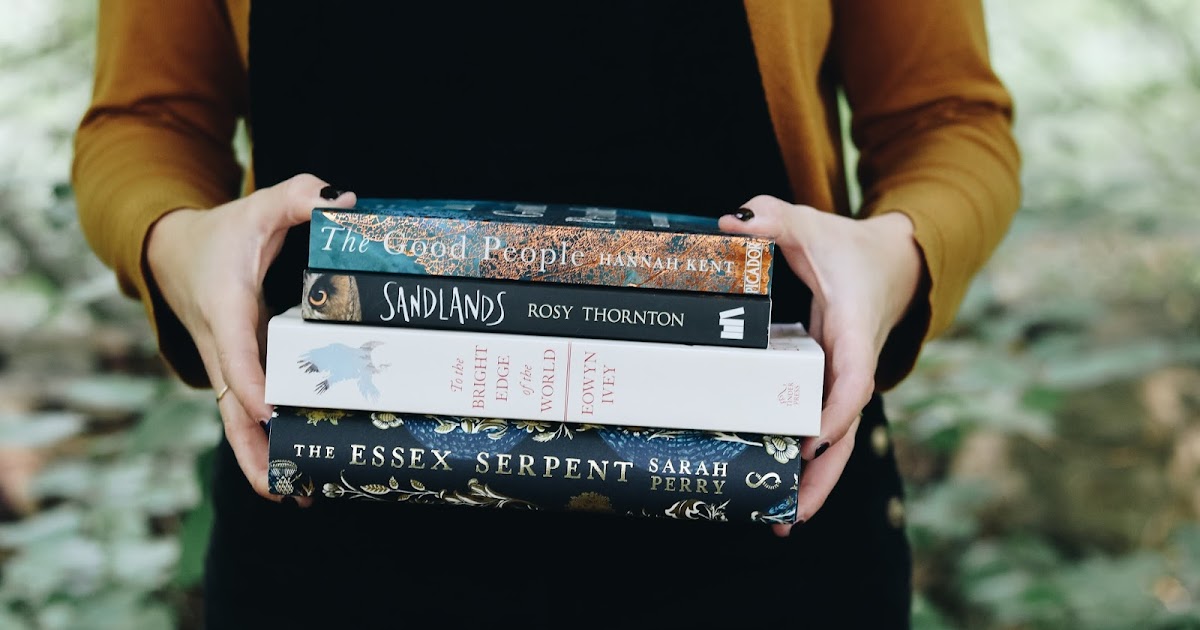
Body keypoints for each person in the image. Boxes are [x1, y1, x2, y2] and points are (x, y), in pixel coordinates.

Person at [73, 2, 1020, 628]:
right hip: (324, 519)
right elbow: (147, 121)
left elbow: (946, 118)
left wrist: (895, 255)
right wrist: (177, 244)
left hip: (765, 516)